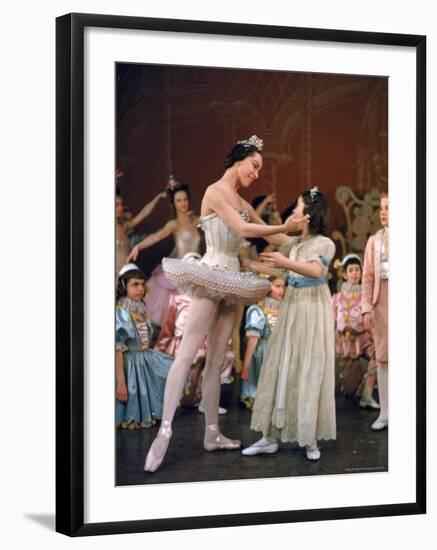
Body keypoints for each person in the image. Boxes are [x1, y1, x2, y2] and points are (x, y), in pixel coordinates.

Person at [144, 135, 308, 472]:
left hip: (233, 278)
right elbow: (242, 227)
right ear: (239, 159)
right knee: (188, 352)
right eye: (255, 165)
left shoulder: (243, 201)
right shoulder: (214, 192)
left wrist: (306, 228)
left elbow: (272, 235)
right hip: (212, 274)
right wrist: (284, 225)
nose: (257, 173)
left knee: (217, 360)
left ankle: (212, 433)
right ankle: (164, 431)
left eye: (260, 169)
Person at [242, 187, 336, 461]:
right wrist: (248, 264)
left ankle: (310, 438)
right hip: (292, 307)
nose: (293, 211)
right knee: (281, 364)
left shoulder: (324, 243)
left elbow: (316, 271)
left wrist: (284, 261)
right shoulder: (295, 245)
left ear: (308, 214)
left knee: (309, 366)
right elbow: (282, 268)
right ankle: (269, 436)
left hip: (311, 307)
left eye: (297, 207)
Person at [127, 179, 202, 328]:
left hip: (198, 270)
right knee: (181, 318)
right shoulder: (174, 224)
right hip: (181, 272)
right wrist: (138, 246)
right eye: (179, 200)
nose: (183, 203)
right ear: (173, 203)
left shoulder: (196, 220)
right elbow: (156, 237)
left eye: (185, 199)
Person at [115, 263, 173, 430]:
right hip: (129, 364)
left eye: (142, 284)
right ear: (124, 286)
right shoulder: (121, 312)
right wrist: (121, 382)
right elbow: (118, 348)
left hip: (143, 358)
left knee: (173, 369)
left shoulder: (140, 310)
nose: (140, 289)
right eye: (135, 284)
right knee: (132, 393)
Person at [333, 254, 379, 408]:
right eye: (351, 270)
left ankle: (367, 392)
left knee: (380, 355)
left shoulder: (366, 297)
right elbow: (333, 322)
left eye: (357, 270)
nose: (354, 273)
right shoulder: (337, 298)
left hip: (364, 340)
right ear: (345, 274)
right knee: (350, 391)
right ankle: (355, 385)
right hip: (347, 346)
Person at [361, 192, 389, 431]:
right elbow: (367, 277)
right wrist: (366, 308)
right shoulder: (374, 241)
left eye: (388, 208)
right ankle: (385, 412)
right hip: (382, 303)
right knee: (382, 357)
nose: (383, 212)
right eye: (381, 207)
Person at [240, 275, 285, 409]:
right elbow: (253, 338)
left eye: (283, 287)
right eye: (277, 286)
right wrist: (246, 365)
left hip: (279, 351)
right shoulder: (258, 310)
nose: (282, 290)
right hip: (264, 352)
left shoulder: (284, 309)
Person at [116, 189, 166, 277]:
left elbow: (143, 214)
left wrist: (157, 198)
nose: (120, 208)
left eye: (121, 204)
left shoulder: (124, 227)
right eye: (116, 205)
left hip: (125, 273)